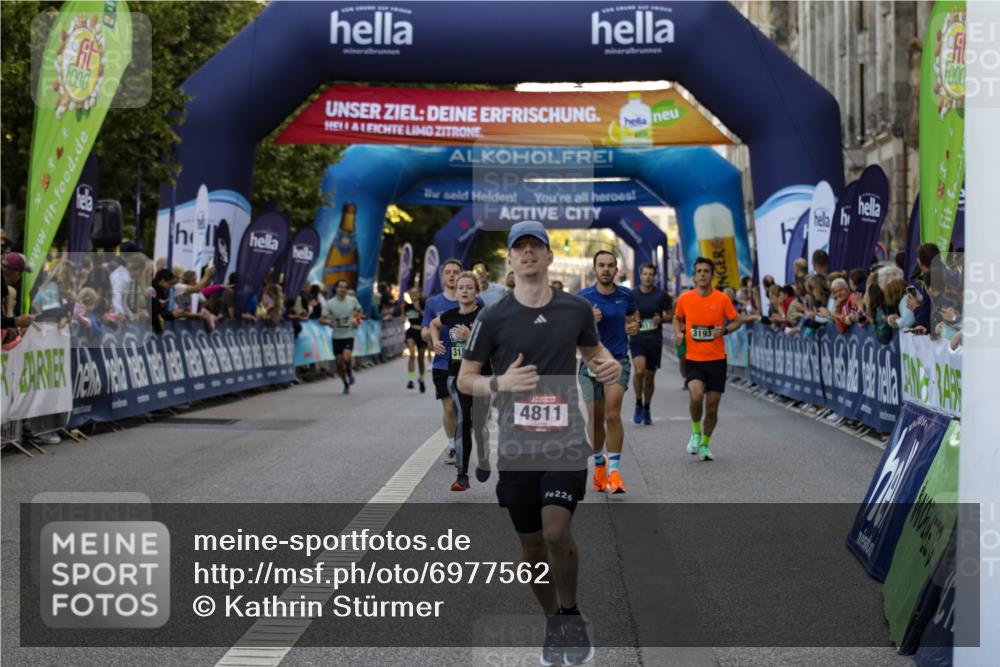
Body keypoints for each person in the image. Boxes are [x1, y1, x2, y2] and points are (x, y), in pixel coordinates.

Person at [459, 220, 620, 666]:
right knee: (531, 548)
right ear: (509, 260)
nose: (528, 254)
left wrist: (610, 368)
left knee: (555, 531)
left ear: (549, 256)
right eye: (519, 248)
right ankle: (553, 619)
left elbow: (595, 354)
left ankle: (570, 611)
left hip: (565, 440)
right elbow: (465, 378)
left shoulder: (575, 310)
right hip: (516, 445)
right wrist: (501, 382)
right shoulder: (493, 316)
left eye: (536, 247)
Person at [576, 250, 638, 494]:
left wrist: (633, 328)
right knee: (595, 418)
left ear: (616, 269)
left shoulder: (626, 295)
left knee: (612, 414)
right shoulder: (582, 298)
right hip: (590, 364)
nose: (605, 269)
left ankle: (614, 472)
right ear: (594, 269)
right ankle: (599, 463)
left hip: (618, 360)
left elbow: (633, 317)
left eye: (610, 265)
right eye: (601, 265)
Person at [673, 257, 742, 461]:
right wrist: (678, 333)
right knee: (696, 396)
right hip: (694, 359)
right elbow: (678, 319)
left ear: (712, 275)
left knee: (712, 407)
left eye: (706, 271)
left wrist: (726, 330)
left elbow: (737, 320)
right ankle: (695, 432)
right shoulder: (685, 299)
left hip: (717, 359)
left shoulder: (722, 299)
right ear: (694, 276)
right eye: (699, 271)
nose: (702, 274)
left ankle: (705, 444)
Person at [429, 271, 490, 491]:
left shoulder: (486, 315)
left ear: (476, 292)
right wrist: (436, 342)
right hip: (456, 375)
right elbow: (434, 325)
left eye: (469, 287)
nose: (464, 291)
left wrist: (470, 337)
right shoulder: (450, 315)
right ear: (456, 292)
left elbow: (496, 343)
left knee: (480, 423)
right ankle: (462, 475)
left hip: (482, 376)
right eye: (461, 288)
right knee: (464, 420)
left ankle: (483, 459)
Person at [422, 259, 466, 463]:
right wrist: (430, 337)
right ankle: (452, 446)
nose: (451, 275)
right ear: (442, 277)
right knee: (449, 407)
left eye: (455, 271)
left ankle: (461, 440)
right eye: (447, 272)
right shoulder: (433, 303)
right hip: (441, 362)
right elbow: (425, 328)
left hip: (467, 363)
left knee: (464, 409)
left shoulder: (472, 300)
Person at [629, 263, 673, 426]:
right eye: (645, 274)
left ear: (654, 277)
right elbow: (626, 314)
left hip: (654, 340)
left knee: (649, 379)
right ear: (640, 275)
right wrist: (632, 320)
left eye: (650, 274)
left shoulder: (661, 295)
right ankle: (638, 402)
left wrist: (661, 319)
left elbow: (671, 315)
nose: (647, 277)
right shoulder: (632, 295)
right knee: (639, 371)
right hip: (637, 339)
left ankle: (647, 407)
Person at [321, 279, 364, 394]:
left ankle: (349, 371)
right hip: (336, 336)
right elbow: (322, 319)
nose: (343, 289)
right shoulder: (330, 303)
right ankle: (345, 384)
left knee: (346, 357)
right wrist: (328, 322)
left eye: (345, 287)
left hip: (348, 334)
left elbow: (360, 312)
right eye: (340, 287)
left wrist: (357, 319)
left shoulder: (352, 300)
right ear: (336, 289)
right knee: (339, 364)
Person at [402, 285, 427, 392]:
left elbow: (428, 317)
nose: (414, 295)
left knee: (421, 359)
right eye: (412, 293)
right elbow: (403, 318)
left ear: (419, 294)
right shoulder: (407, 306)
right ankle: (411, 379)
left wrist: (419, 310)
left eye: (416, 293)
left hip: (421, 332)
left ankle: (421, 379)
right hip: (411, 331)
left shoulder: (424, 304)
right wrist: (403, 315)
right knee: (412, 354)